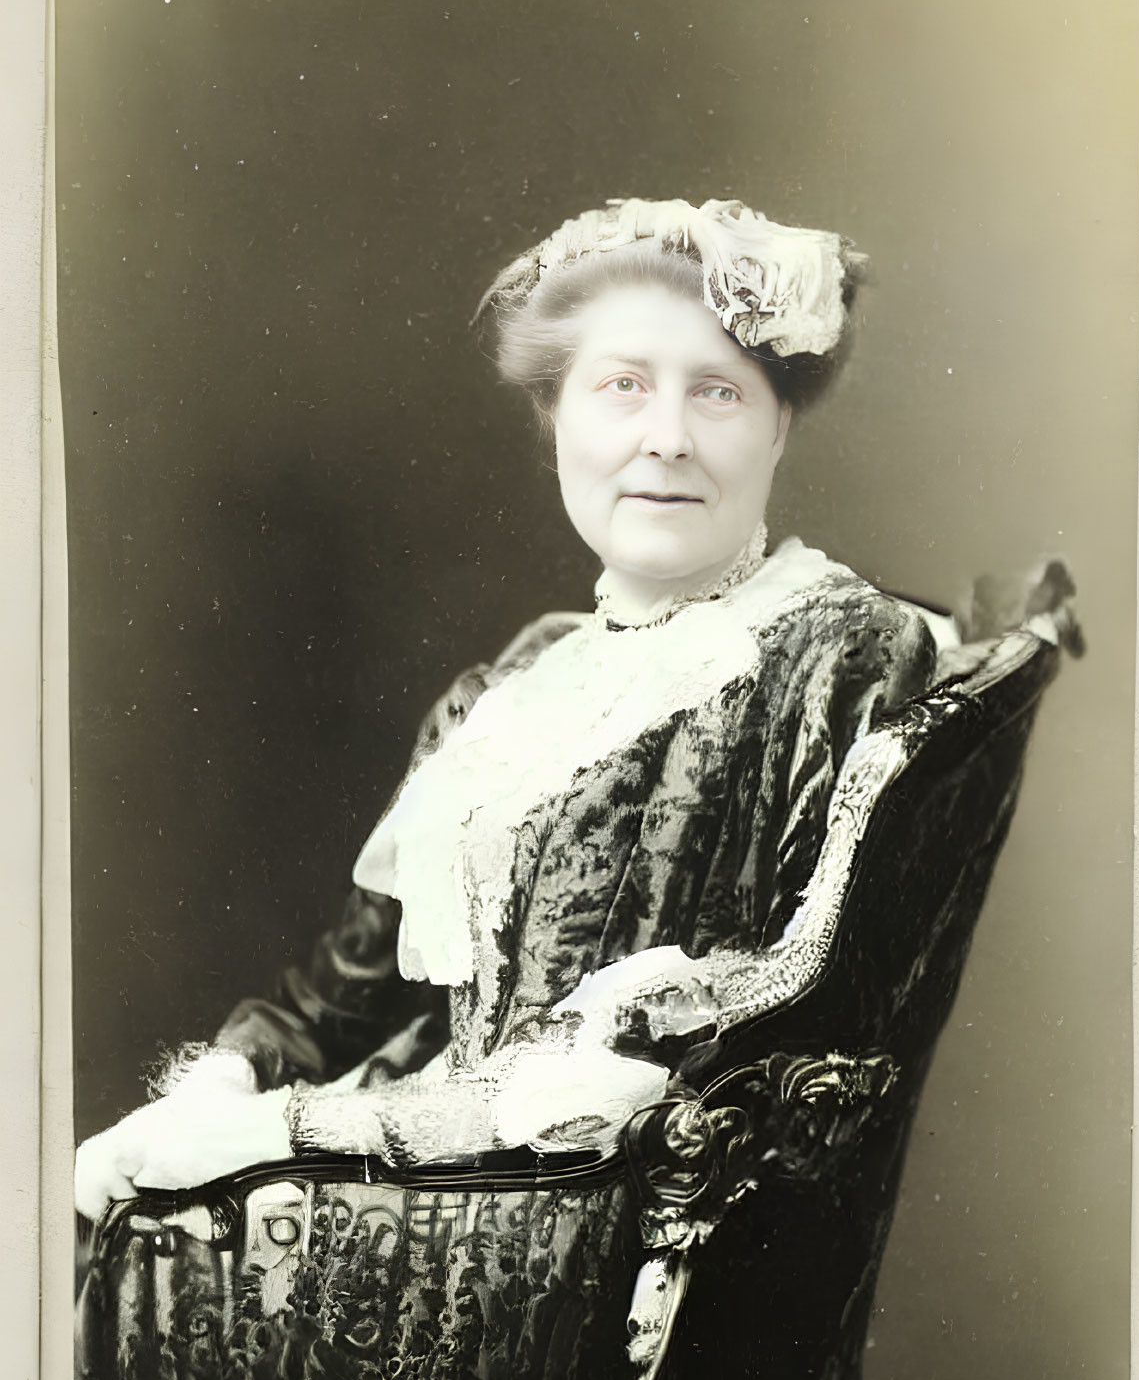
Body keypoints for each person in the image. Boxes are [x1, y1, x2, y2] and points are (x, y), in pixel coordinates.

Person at [74, 195, 944, 1223]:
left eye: (717, 391)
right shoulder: (519, 684)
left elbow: (781, 1002)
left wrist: (282, 1134)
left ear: (778, 424)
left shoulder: (832, 645)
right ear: (555, 417)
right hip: (429, 1191)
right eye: (621, 386)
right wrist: (225, 1082)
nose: (664, 438)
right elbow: (341, 996)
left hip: (575, 1226)